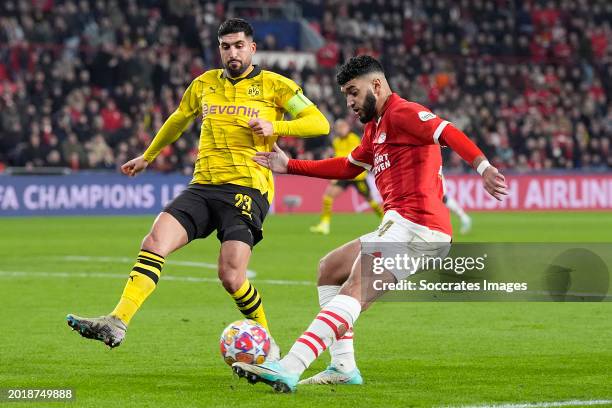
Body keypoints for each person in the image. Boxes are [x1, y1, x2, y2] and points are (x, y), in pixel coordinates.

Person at [233, 55, 507, 392]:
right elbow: (349, 167)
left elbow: (446, 131)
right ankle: (343, 367)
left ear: (376, 85)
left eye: (353, 92)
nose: (349, 102)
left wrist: (484, 167)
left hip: (417, 227)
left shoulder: (402, 113)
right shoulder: (375, 127)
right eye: (346, 95)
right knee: (330, 268)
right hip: (400, 225)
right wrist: (290, 166)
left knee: (354, 290)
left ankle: (289, 367)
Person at [66, 18, 330, 354]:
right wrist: (148, 155)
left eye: (238, 45)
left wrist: (274, 125)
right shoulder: (204, 83)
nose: (232, 52)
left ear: (252, 48)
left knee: (231, 275)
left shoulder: (275, 85)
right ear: (219, 49)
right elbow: (179, 118)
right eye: (225, 46)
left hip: (247, 188)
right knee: (154, 240)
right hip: (203, 186)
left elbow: (319, 123)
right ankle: (118, 320)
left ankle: (268, 343)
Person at [310, 118, 383, 235]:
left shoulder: (353, 138)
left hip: (357, 176)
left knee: (370, 200)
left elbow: (351, 156)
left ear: (347, 127)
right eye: (338, 128)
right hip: (343, 175)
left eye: (342, 127)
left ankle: (385, 220)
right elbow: (337, 157)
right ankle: (324, 225)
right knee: (328, 196)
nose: (340, 130)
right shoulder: (336, 142)